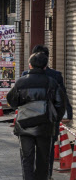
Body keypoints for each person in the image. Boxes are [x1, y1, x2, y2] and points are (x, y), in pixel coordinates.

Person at [7, 52, 66, 180]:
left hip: (24, 125)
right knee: (43, 159)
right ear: (45, 66)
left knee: (26, 159)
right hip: (45, 126)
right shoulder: (52, 83)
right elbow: (61, 104)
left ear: (30, 65)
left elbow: (11, 100)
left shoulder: (21, 82)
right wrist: (54, 119)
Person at [21, 45, 72, 177]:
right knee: (46, 152)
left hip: (27, 120)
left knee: (28, 154)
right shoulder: (55, 76)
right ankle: (46, 176)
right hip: (48, 121)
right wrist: (58, 116)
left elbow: (15, 99)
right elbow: (62, 99)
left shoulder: (25, 77)